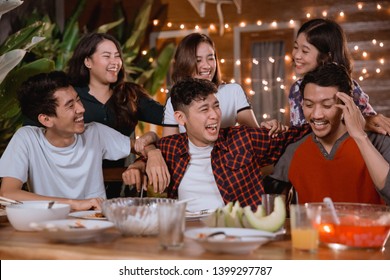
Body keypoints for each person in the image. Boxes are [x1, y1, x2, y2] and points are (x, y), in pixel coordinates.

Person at [122, 78, 311, 212]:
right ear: (180, 118)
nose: (214, 115)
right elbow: (142, 158)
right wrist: (138, 165)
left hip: (238, 233)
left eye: (216, 106)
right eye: (204, 109)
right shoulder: (171, 147)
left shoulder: (243, 139)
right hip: (186, 234)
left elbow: (300, 133)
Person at [0, 71, 167, 211]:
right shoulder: (27, 138)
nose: (82, 109)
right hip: (49, 228)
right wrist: (74, 204)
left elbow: (142, 146)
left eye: (78, 99)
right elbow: (7, 193)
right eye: (70, 105)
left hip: (96, 225)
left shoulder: (95, 132)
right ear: (46, 120)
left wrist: (152, 153)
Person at [269, 63, 390, 205]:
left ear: (347, 103)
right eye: (309, 105)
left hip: (369, 227)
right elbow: (268, 201)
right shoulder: (294, 150)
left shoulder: (379, 141)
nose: (316, 114)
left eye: (327, 105)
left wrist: (360, 136)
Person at [67, 32, 166, 198]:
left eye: (117, 56)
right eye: (107, 56)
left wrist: (151, 143)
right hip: (79, 190)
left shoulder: (130, 94)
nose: (115, 62)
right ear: (87, 61)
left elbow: (173, 118)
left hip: (126, 188)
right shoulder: (70, 96)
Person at [289, 18, 390, 134]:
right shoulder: (297, 89)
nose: (296, 55)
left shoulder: (351, 87)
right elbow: (298, 134)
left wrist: (366, 121)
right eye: (296, 47)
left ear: (326, 56)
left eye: (305, 51)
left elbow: (373, 124)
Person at [162, 33, 270, 137]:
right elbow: (169, 147)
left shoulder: (233, 92)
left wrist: (269, 129)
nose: (207, 66)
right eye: (198, 60)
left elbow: (256, 136)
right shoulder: (173, 102)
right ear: (185, 64)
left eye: (210, 58)